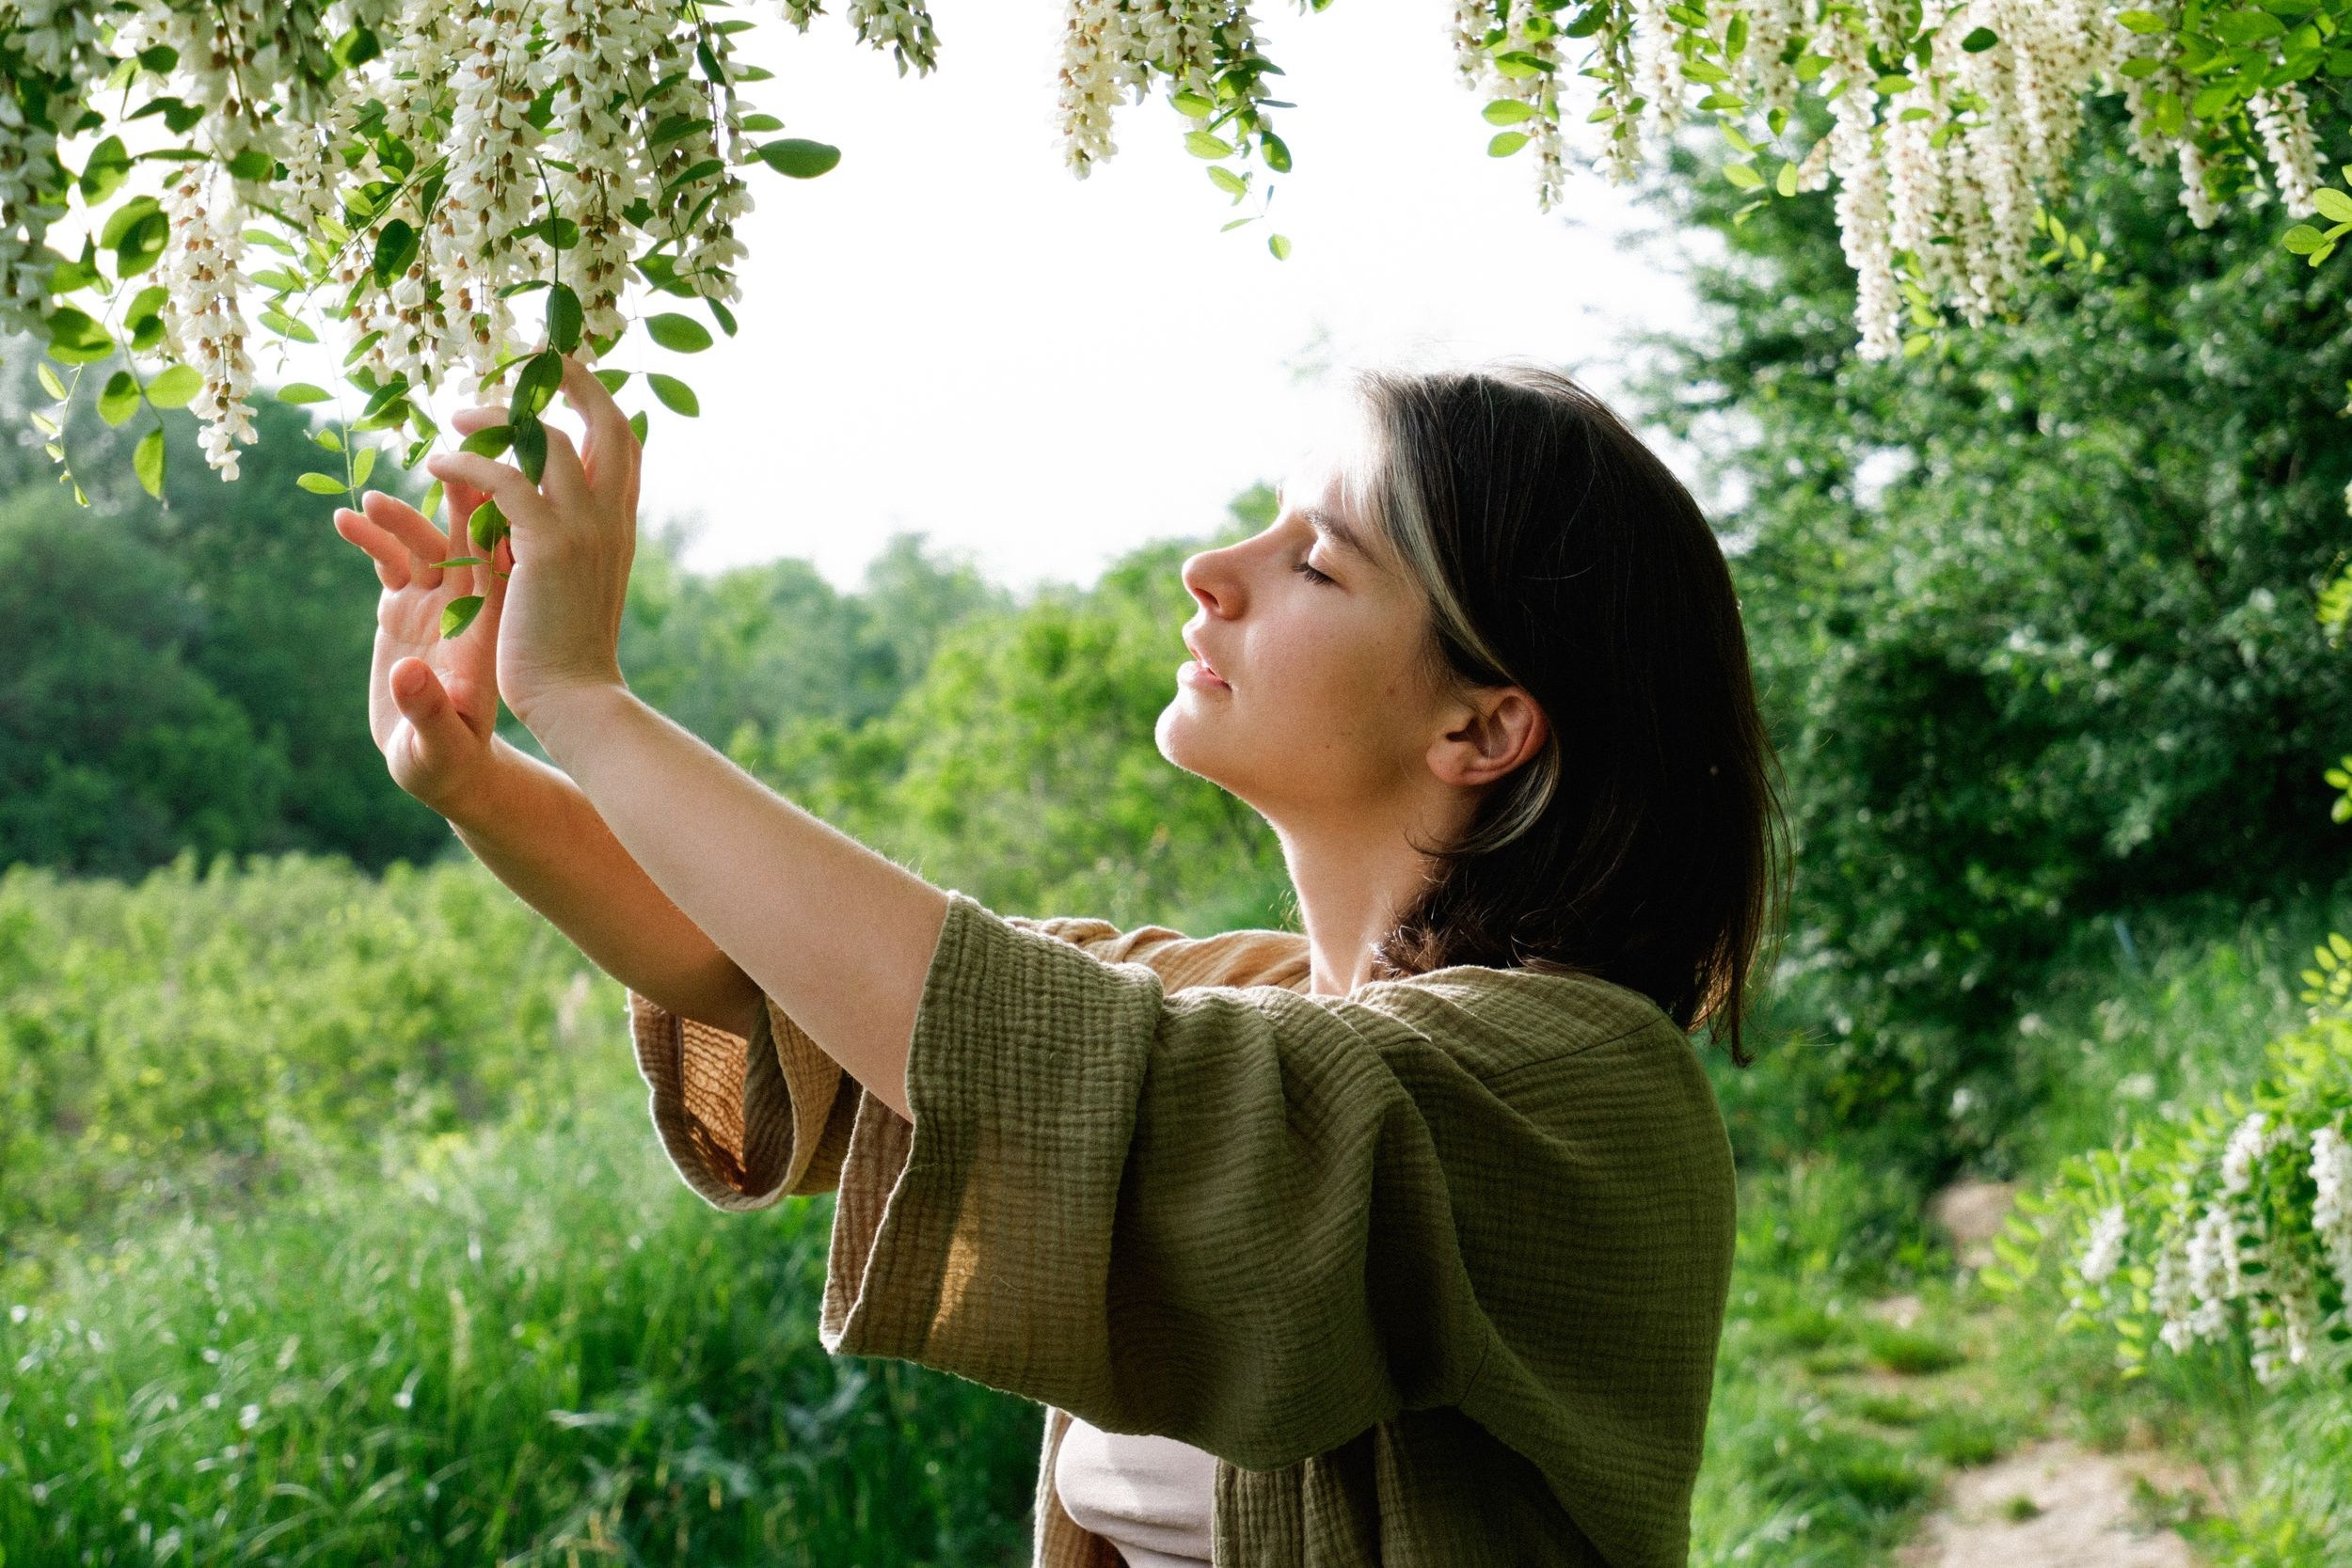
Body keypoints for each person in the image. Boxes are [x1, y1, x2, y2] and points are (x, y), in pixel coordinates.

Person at [331, 356, 1786, 1567]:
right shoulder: (1274, 1000)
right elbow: (808, 988)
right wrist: (482, 775)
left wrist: (585, 696)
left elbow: (1031, 1050)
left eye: (1316, 562)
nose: (1211, 571)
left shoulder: (1577, 1082)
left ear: (1482, 727)